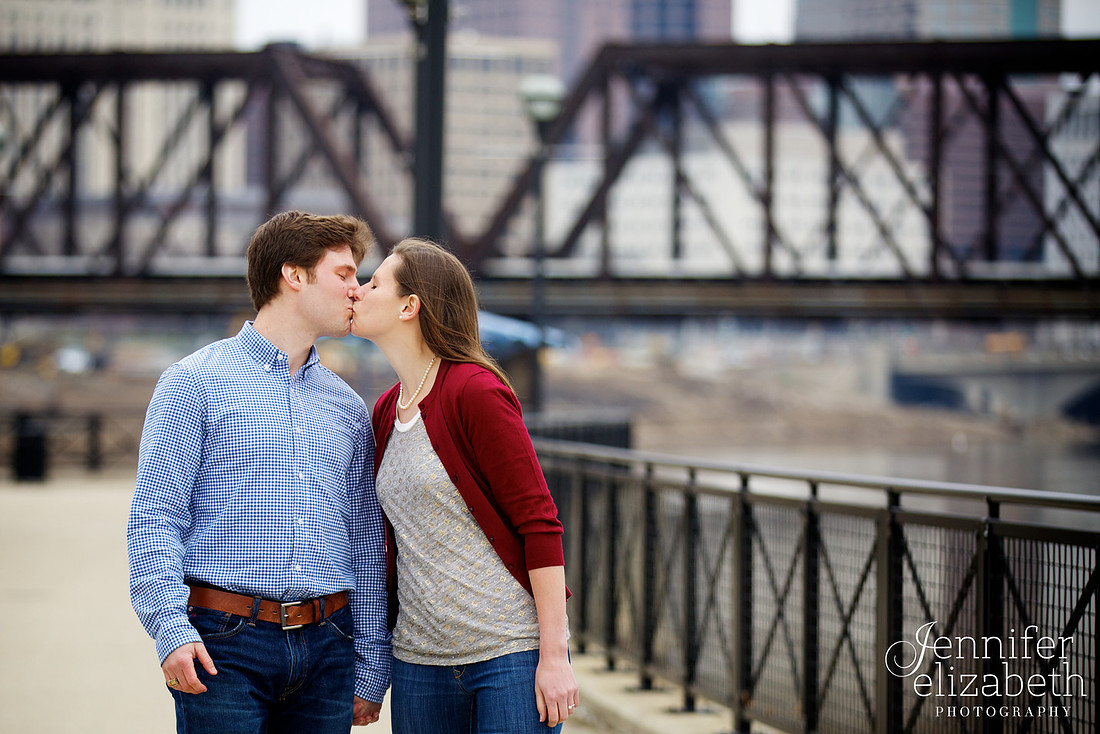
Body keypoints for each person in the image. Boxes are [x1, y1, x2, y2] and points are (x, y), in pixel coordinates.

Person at [127, 211, 390, 732]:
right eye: (343, 274)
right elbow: (155, 518)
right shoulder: (193, 383)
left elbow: (364, 543)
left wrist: (370, 661)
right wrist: (170, 630)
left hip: (329, 648)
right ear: (294, 275)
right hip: (224, 644)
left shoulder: (347, 407)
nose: (357, 290)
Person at [350, 237, 579, 733]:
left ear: (409, 306)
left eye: (374, 284)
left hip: (507, 655)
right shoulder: (386, 410)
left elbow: (539, 522)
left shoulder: (475, 390)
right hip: (418, 664)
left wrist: (554, 655)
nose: (357, 291)